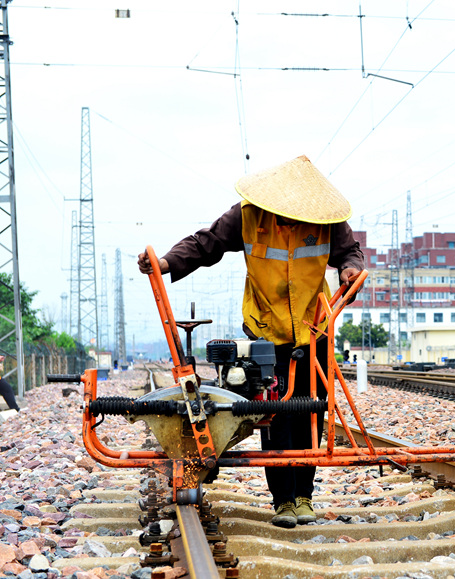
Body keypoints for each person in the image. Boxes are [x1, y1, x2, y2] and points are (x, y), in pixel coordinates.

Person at [137, 155, 364, 528]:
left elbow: (349, 252)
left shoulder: (326, 220)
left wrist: (350, 271)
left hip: (315, 326)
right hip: (264, 329)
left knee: (310, 412)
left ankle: (304, 496)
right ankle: (282, 502)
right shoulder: (247, 215)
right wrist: (165, 263)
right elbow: (206, 243)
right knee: (274, 415)